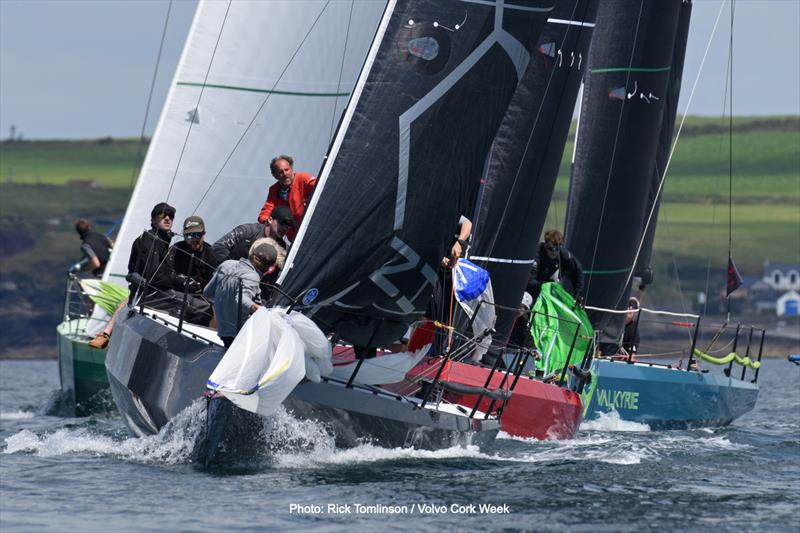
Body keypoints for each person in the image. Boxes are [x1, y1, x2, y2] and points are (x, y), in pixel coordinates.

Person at [88, 202, 177, 349]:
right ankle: (105, 334)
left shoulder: (162, 239)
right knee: (130, 300)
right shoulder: (149, 240)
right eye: (162, 215)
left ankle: (106, 333)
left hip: (151, 287)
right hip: (146, 289)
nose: (167, 218)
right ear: (154, 219)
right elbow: (153, 273)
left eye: (171, 216)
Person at [203, 240, 278, 348]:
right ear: (268, 268)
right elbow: (242, 300)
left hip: (222, 330)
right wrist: (263, 311)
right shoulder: (253, 276)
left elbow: (207, 293)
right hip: (238, 336)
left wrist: (225, 302)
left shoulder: (226, 264)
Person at [165, 215, 221, 325]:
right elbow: (165, 272)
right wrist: (181, 281)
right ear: (184, 236)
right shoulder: (175, 250)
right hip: (176, 297)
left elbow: (216, 290)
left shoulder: (212, 257)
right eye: (190, 236)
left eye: (198, 235)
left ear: (204, 234)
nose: (194, 239)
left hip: (201, 304)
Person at [256, 155, 316, 240]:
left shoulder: (303, 178)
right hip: (296, 239)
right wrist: (267, 221)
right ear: (275, 175)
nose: (285, 174)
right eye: (280, 172)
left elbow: (321, 187)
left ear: (291, 168)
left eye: (286, 170)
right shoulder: (274, 190)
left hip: (313, 229)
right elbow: (267, 209)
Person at [526, 228, 584, 304]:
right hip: (533, 288)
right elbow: (529, 281)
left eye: (557, 249)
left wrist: (579, 293)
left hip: (550, 285)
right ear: (545, 245)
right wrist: (545, 285)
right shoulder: (537, 254)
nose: (554, 252)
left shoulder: (562, 253)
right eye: (550, 248)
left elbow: (578, 269)